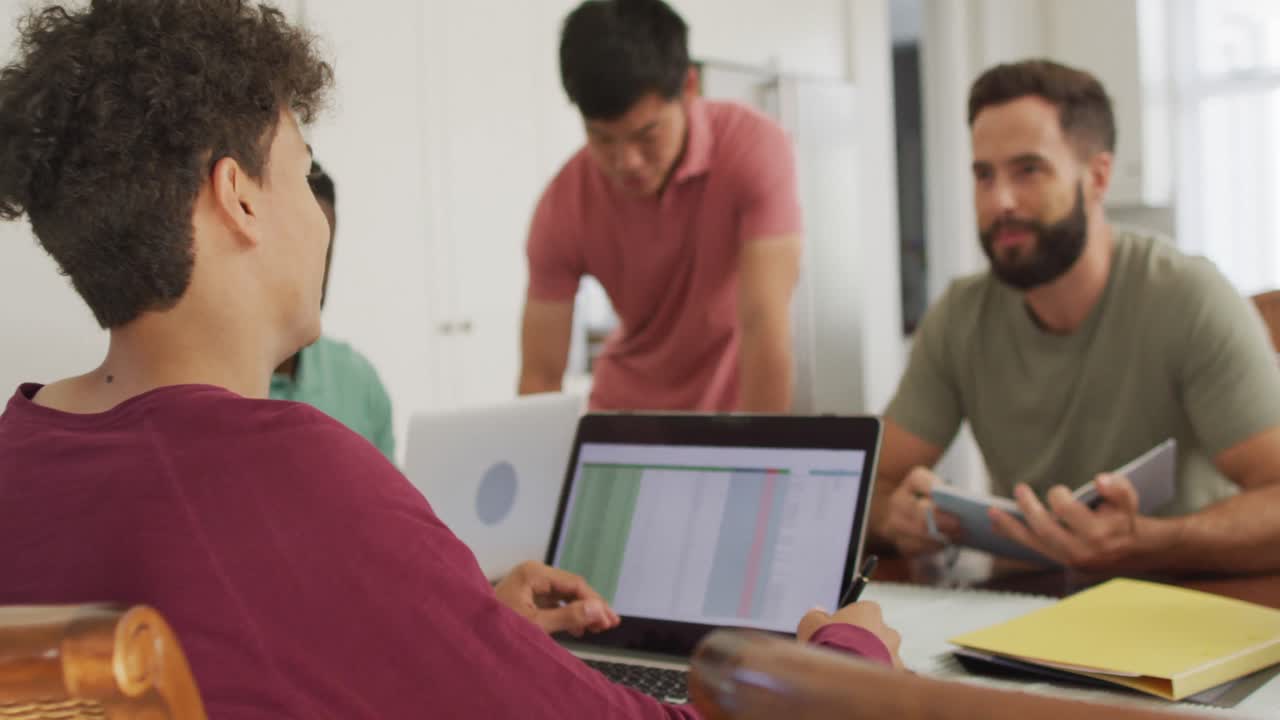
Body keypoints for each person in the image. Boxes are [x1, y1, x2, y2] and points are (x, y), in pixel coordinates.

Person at [0, 2, 900, 718]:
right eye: (305, 171)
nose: (319, 213)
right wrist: (848, 659)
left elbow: (253, 643)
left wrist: (466, 629)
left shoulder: (20, 458)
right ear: (237, 196)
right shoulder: (296, 474)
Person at [873, 59, 1280, 573]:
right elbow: (870, 487)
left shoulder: (1189, 296)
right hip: (1021, 616)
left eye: (1028, 170)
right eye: (984, 175)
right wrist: (895, 518)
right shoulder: (960, 315)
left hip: (1182, 605)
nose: (1000, 201)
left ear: (1098, 177)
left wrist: (1151, 541)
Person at [518, 0, 804, 412]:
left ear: (689, 87)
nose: (626, 161)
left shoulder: (753, 148)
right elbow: (541, 375)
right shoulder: (563, 204)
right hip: (622, 415)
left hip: (734, 412)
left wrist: (767, 455)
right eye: (602, 138)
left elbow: (763, 322)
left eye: (646, 135)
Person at [269, 159, 396, 461]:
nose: (316, 270)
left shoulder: (359, 380)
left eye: (325, 250)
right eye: (300, 246)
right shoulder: (218, 386)